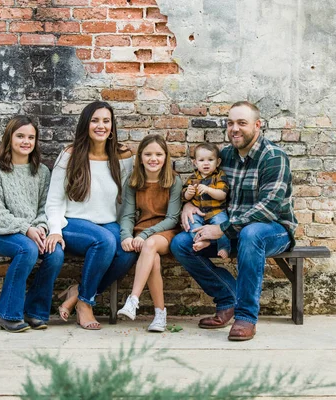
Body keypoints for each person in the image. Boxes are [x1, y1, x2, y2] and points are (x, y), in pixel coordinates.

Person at [170, 101, 298, 341]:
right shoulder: (225, 155)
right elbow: (203, 182)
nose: (235, 129)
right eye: (230, 123)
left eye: (242, 123)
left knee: (252, 234)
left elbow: (268, 209)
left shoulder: (273, 157)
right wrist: (189, 203)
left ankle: (246, 317)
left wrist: (221, 229)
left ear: (257, 126)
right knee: (180, 243)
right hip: (230, 228)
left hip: (273, 230)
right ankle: (228, 297)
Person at [44, 101, 135, 330]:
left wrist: (127, 230)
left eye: (106, 121)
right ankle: (85, 304)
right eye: (95, 120)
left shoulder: (123, 156)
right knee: (104, 241)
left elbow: (128, 200)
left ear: (112, 126)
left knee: (127, 251)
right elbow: (54, 199)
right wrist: (55, 229)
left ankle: (78, 292)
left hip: (109, 222)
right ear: (86, 124)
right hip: (72, 223)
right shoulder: (70, 154)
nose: (100, 126)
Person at [0, 116, 64, 332]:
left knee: (55, 253)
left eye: (31, 137)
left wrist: (40, 228)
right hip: (1, 232)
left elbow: (44, 209)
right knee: (27, 250)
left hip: (33, 231)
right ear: (9, 138)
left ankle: (34, 311)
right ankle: (6, 314)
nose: (26, 141)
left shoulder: (41, 172)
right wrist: (26, 229)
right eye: (20, 136)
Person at [116, 134, 182, 332]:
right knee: (153, 260)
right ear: (140, 158)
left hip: (165, 232)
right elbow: (127, 215)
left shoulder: (174, 181)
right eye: (148, 154)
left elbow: (172, 218)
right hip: (141, 233)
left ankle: (133, 299)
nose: (153, 159)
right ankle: (160, 315)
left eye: (159, 154)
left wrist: (144, 236)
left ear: (165, 157)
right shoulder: (133, 181)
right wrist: (126, 236)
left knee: (151, 245)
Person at [182, 143, 231, 257]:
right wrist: (188, 193)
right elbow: (184, 196)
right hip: (198, 212)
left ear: (218, 162)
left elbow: (222, 194)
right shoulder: (193, 178)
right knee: (192, 223)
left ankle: (224, 248)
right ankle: (202, 240)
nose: (206, 163)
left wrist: (209, 190)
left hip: (216, 211)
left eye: (210, 160)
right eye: (201, 160)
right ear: (195, 163)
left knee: (222, 225)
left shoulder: (219, 176)